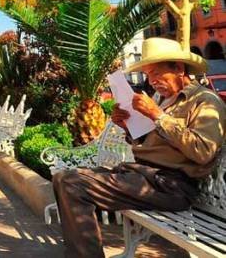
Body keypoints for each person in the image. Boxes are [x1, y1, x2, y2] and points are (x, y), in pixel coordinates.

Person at [52, 37, 226, 258]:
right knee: (63, 178)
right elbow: (150, 144)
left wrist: (157, 115)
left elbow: (203, 151)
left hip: (172, 186)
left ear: (179, 68)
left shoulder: (205, 101)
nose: (151, 81)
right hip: (143, 176)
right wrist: (127, 127)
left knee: (72, 184)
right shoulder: (163, 99)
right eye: (148, 75)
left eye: (156, 73)